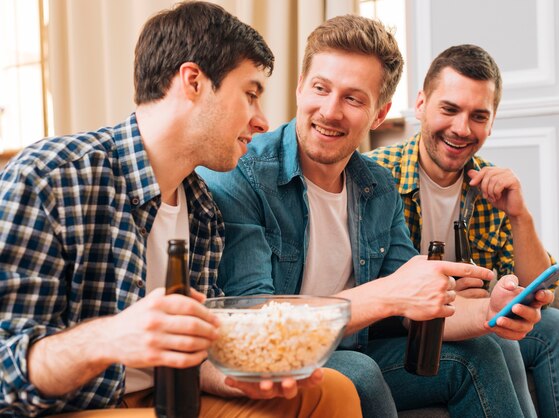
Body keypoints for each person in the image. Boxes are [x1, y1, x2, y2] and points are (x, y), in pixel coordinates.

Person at [0, 2, 362, 417]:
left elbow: (195, 354)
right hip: (73, 405)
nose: (262, 121)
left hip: (169, 396)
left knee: (327, 391)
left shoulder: (203, 209)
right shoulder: (50, 178)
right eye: (250, 94)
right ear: (193, 81)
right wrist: (109, 337)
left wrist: (232, 374)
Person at [197, 15, 555, 418]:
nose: (330, 111)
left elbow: (416, 303)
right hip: (284, 361)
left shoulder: (377, 186)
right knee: (360, 371)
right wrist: (387, 294)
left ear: (379, 114)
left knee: (481, 351)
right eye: (320, 88)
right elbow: (256, 324)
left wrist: (490, 312)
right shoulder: (242, 171)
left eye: (353, 98)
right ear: (300, 88)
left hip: (353, 348)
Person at [367, 44, 559, 418]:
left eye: (478, 116)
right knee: (493, 338)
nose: (461, 128)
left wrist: (521, 216)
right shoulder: (377, 175)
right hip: (403, 332)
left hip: (469, 312)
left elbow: (541, 288)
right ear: (421, 104)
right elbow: (376, 292)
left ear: (492, 121)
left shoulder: (488, 186)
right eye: (449, 109)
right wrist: (454, 295)